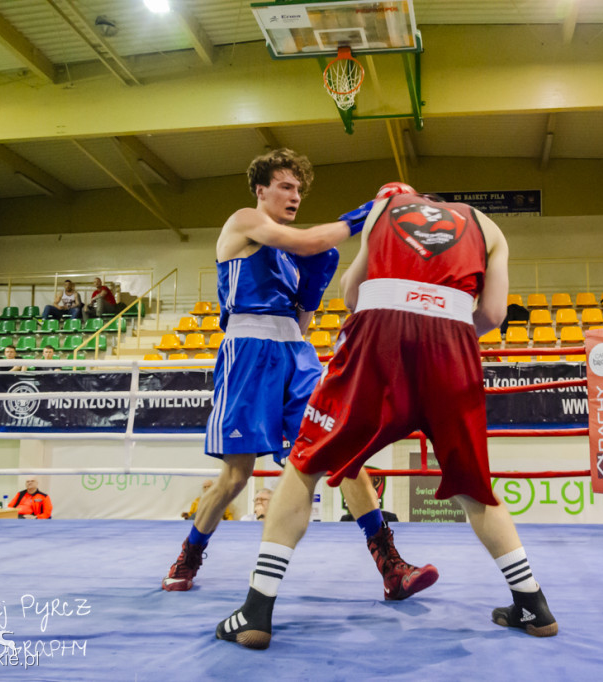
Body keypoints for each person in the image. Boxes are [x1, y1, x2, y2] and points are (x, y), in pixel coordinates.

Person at [217, 185, 557, 650]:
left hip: (381, 336)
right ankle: (533, 605)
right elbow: (494, 313)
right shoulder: (487, 225)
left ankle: (257, 610)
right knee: (474, 484)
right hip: (455, 344)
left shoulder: (385, 209)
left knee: (305, 463)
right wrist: (448, 327)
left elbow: (352, 293)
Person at [162, 150, 437, 601]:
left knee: (343, 450)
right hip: (248, 352)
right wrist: (373, 210)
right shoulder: (244, 222)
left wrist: (312, 288)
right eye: (286, 187)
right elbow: (312, 242)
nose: (294, 196)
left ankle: (390, 565)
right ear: (261, 189)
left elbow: (304, 321)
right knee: (236, 476)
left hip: (296, 352)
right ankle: (190, 553)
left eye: (299, 189)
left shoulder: (293, 253)